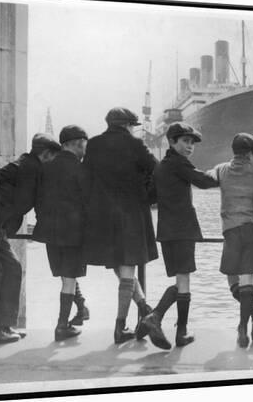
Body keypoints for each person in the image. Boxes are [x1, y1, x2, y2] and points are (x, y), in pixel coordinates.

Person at [82, 107, 158, 344]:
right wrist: (148, 197)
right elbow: (157, 170)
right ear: (127, 125)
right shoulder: (135, 145)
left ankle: (146, 310)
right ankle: (121, 326)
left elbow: (85, 178)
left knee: (118, 264)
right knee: (128, 267)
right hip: (131, 214)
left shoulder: (93, 144)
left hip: (102, 215)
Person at [142, 122, 218, 350]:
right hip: (183, 229)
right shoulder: (179, 163)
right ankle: (171, 327)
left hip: (166, 230)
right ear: (172, 142)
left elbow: (150, 197)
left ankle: (150, 321)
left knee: (180, 279)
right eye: (185, 141)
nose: (190, 146)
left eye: (192, 142)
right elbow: (205, 182)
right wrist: (222, 171)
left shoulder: (161, 166)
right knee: (184, 279)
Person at [0, 133, 61, 343]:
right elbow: (24, 203)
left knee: (4, 269)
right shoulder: (32, 168)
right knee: (10, 268)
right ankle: (0, 327)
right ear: (46, 154)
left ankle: (1, 326)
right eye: (52, 158)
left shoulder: (24, 163)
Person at [33, 125, 89, 341]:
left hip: (49, 231)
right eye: (85, 143)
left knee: (65, 277)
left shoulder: (46, 167)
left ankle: (80, 310)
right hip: (74, 233)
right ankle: (62, 326)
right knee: (69, 278)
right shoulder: (81, 169)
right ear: (78, 143)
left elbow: (38, 200)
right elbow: (88, 202)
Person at [210, 133, 253, 348]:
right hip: (251, 228)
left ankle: (252, 315)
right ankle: (245, 326)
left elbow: (205, 177)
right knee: (247, 278)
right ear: (250, 154)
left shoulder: (222, 169)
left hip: (230, 230)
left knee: (232, 278)